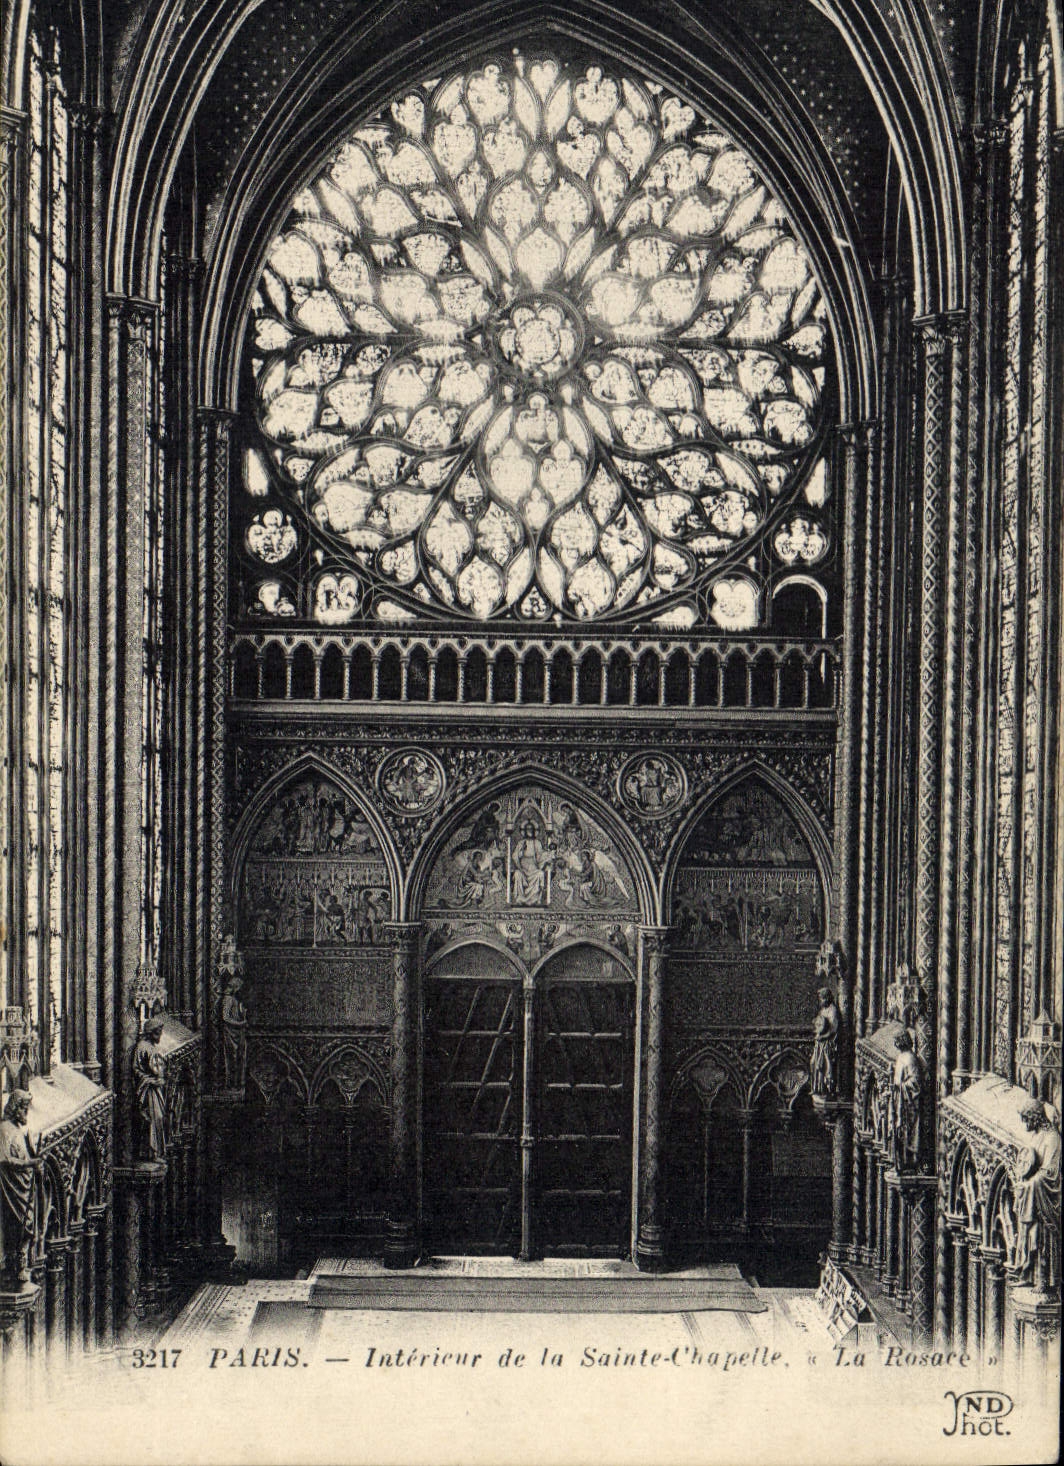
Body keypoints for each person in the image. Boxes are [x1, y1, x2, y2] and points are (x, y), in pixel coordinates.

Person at [1013, 1098, 1061, 1292]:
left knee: (1041, 1237)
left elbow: (1051, 1172)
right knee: (1028, 1234)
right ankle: (1026, 1273)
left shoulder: (1052, 1138)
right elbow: (1028, 1158)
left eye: (1027, 1119)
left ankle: (1044, 1280)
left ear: (1035, 1117)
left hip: (1045, 1200)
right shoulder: (1037, 1135)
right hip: (1032, 1195)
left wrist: (1030, 1183)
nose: (1025, 1124)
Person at [0, 1089, 37, 1285]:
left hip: (22, 1186)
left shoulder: (18, 1130)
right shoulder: (5, 1129)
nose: (26, 1113)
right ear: (15, 1109)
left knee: (27, 1225)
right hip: (12, 1188)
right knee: (20, 1225)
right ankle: (16, 1265)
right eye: (24, 1108)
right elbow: (4, 1159)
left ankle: (21, 1263)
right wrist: (29, 1164)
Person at [132, 1015, 168, 1160]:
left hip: (155, 1089)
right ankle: (151, 1153)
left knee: (159, 1118)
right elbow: (136, 1069)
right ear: (151, 1032)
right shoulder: (142, 1047)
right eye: (158, 1032)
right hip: (148, 1091)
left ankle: (156, 1151)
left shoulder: (150, 1046)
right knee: (154, 1118)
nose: (160, 1036)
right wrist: (151, 1081)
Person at [890, 1030, 924, 1171]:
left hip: (908, 1102)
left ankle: (908, 1162)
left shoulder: (910, 1058)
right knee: (898, 1130)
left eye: (897, 1040)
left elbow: (915, 1081)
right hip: (900, 1099)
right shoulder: (901, 1057)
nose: (895, 1044)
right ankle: (899, 1161)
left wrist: (901, 1086)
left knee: (907, 1131)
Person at [810, 987, 840, 1096]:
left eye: (822, 998)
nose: (820, 1001)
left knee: (824, 1066)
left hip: (827, 1043)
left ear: (827, 998)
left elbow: (833, 1029)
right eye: (820, 999)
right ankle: (816, 1087)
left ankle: (825, 1090)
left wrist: (823, 1037)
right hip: (820, 1043)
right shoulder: (823, 1010)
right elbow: (819, 1024)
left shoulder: (833, 1010)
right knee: (813, 1063)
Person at [221, 977, 248, 1091]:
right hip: (231, 1032)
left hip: (237, 1032)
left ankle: (238, 1083)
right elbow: (225, 1017)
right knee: (232, 1057)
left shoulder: (235, 999)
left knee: (239, 1057)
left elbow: (238, 1013)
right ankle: (231, 1084)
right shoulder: (228, 999)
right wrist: (240, 1023)